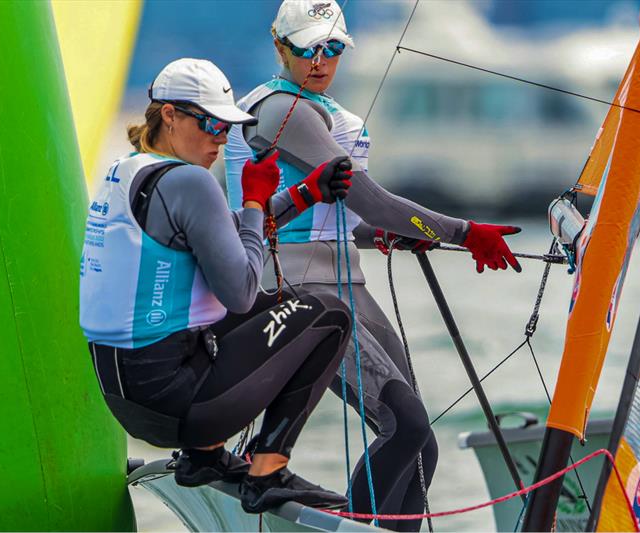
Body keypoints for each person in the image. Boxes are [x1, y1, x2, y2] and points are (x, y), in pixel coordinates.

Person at [224, 2, 523, 529]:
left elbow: (347, 219)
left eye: (333, 48)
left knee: (420, 444)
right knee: (403, 425)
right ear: (279, 47)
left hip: (344, 279)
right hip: (299, 292)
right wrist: (462, 232)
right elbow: (372, 200)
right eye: (307, 48)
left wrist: (383, 235)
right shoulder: (279, 112)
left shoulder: (317, 107)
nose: (321, 60)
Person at [79, 58, 359, 514]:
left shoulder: (128, 171)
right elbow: (242, 289)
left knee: (284, 303)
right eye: (210, 123)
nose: (220, 138)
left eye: (227, 127)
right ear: (169, 114)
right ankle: (268, 472)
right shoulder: (191, 180)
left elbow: (222, 236)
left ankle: (204, 459)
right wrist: (253, 198)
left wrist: (306, 192)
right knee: (328, 312)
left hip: (128, 399)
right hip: (177, 403)